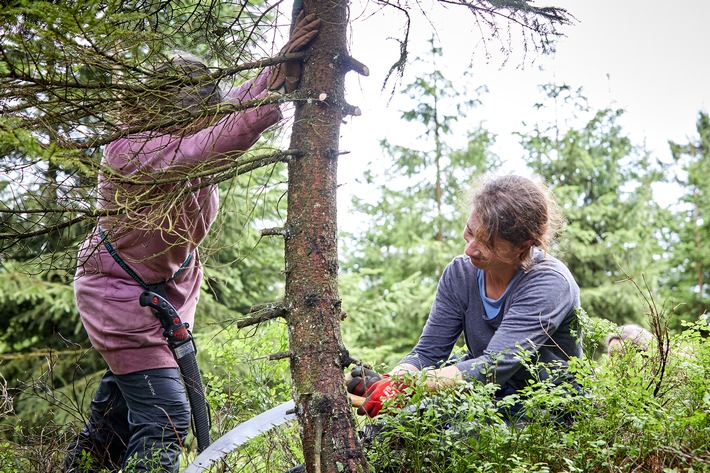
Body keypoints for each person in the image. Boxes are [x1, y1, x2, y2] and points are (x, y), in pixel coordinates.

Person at [63, 13, 321, 473]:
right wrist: (273, 86)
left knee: (115, 421)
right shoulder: (132, 150)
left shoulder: (189, 136)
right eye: (201, 112)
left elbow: (215, 127)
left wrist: (275, 71)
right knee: (167, 419)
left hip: (166, 299)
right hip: (119, 299)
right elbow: (201, 148)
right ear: (174, 110)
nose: (208, 119)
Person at [347, 174, 583, 423]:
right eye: (470, 232)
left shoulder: (549, 283)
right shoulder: (460, 273)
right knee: (393, 433)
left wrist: (406, 386)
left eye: (486, 243)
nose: (469, 249)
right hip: (486, 400)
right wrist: (390, 382)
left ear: (522, 246)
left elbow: (492, 367)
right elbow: (428, 353)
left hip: (546, 411)